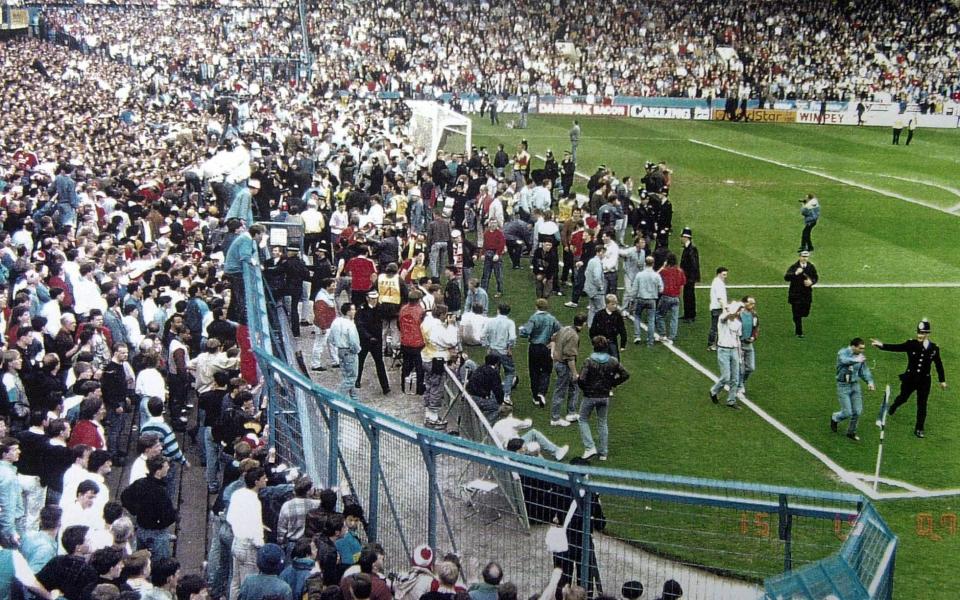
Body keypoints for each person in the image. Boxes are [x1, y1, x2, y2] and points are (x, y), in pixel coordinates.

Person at [872, 319, 947, 438]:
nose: (920, 335)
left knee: (922, 405)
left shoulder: (934, 348)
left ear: (927, 334)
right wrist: (882, 346)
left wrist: (942, 380)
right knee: (903, 398)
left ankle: (919, 428)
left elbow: (938, 364)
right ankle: (894, 406)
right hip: (910, 379)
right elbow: (897, 348)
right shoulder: (911, 344)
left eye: (922, 333)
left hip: (924, 381)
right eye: (919, 333)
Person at [576, 336, 630, 460]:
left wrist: (585, 389)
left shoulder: (589, 361)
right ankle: (603, 452)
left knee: (583, 419)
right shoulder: (613, 361)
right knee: (602, 422)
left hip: (590, 395)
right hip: (604, 395)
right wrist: (613, 383)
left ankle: (590, 447)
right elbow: (625, 374)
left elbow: (582, 379)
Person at [120, 455, 178, 559]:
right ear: (158, 471)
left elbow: (124, 496)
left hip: (141, 528)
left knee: (140, 558)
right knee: (161, 563)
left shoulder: (140, 483)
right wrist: (162, 523)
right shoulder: (160, 492)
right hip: (158, 532)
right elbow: (169, 516)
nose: (168, 468)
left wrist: (135, 510)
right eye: (165, 467)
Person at [831, 338, 876, 441]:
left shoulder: (860, 357)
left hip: (855, 385)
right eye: (860, 348)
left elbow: (864, 371)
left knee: (857, 411)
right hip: (843, 385)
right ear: (853, 347)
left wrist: (870, 382)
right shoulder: (843, 353)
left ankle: (851, 432)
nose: (862, 351)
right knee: (847, 412)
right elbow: (844, 360)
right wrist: (856, 360)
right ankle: (835, 418)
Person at [519, 299, 561, 408]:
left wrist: (521, 330)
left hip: (535, 347)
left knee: (534, 371)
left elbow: (526, 332)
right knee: (546, 371)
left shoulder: (534, 318)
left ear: (536, 306)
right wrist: (553, 340)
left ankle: (535, 396)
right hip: (546, 347)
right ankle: (542, 392)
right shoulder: (551, 318)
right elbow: (560, 330)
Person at [492, 405, 568, 460]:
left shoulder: (495, 426)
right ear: (509, 414)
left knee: (531, 436)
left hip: (503, 452)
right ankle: (555, 452)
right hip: (515, 449)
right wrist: (528, 419)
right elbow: (528, 424)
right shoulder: (511, 421)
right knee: (534, 438)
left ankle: (553, 454)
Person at [551, 314, 586, 427]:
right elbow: (569, 357)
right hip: (564, 365)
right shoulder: (574, 336)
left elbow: (553, 337)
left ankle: (571, 412)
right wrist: (575, 373)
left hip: (558, 362)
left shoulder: (564, 328)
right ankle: (555, 418)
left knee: (574, 387)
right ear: (583, 324)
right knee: (560, 391)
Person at [709, 301, 744, 409]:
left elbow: (737, 338)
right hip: (723, 350)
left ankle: (731, 400)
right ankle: (713, 391)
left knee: (735, 378)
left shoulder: (738, 323)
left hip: (733, 350)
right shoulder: (723, 319)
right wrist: (732, 311)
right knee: (726, 376)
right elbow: (725, 318)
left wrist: (740, 353)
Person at [356, 291, 390, 396]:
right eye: (372, 298)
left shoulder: (380, 308)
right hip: (365, 341)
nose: (374, 300)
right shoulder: (361, 309)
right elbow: (359, 325)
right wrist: (368, 336)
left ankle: (385, 386)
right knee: (360, 361)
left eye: (376, 298)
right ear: (367, 298)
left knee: (379, 363)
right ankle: (357, 379)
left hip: (377, 340)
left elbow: (386, 317)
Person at [482, 303, 518, 404]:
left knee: (493, 372)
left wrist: (487, 346)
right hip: (504, 351)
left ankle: (492, 394)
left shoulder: (490, 321)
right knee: (510, 372)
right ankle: (506, 395)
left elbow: (482, 335)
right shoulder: (510, 323)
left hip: (493, 350)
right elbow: (512, 337)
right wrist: (510, 348)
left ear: (498, 310)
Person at [330, 303, 362, 401]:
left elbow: (331, 339)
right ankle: (337, 398)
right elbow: (354, 341)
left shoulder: (336, 321)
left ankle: (355, 399)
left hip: (340, 350)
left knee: (347, 375)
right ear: (348, 312)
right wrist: (356, 350)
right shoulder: (350, 324)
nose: (354, 312)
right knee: (351, 377)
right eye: (353, 310)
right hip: (349, 351)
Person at [629, 257, 663, 347]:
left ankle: (637, 336)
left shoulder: (639, 275)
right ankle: (650, 341)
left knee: (637, 316)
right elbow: (661, 289)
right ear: (653, 264)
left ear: (645, 263)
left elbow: (634, 289)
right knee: (651, 320)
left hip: (641, 298)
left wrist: (632, 299)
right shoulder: (656, 275)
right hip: (652, 300)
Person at [784, 250, 818, 338]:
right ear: (800, 257)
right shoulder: (794, 267)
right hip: (795, 294)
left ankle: (798, 319)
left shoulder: (811, 267)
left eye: (806, 257)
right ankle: (799, 332)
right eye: (803, 256)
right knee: (797, 314)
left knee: (805, 312)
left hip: (806, 294)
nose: (804, 258)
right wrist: (795, 273)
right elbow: (786, 277)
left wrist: (811, 282)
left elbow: (815, 277)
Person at [465, 354, 505, 424]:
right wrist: (501, 402)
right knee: (497, 408)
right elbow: (498, 390)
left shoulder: (479, 368)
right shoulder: (493, 373)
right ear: (496, 364)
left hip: (468, 395)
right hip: (478, 398)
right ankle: (485, 424)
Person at [656, 253, 686, 343]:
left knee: (659, 315)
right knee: (674, 318)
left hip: (666, 296)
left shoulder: (664, 271)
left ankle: (662, 334)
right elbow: (682, 284)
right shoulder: (680, 271)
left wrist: (662, 266)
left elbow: (654, 276)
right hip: (676, 297)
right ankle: (672, 337)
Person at [589, 295, 627, 360]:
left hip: (612, 342)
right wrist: (594, 341)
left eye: (616, 304)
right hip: (601, 343)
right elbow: (593, 329)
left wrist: (623, 345)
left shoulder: (617, 315)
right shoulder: (599, 314)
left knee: (615, 362)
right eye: (613, 304)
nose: (615, 306)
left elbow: (622, 330)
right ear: (607, 304)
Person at [737, 296, 759, 399]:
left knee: (750, 367)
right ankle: (739, 386)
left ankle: (742, 381)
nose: (752, 305)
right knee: (741, 368)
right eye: (751, 303)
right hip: (739, 344)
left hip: (749, 344)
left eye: (753, 303)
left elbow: (756, 328)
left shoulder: (754, 315)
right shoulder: (738, 315)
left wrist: (753, 338)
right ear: (744, 303)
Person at [679, 228, 700, 323]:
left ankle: (691, 315)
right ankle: (687, 314)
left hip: (689, 277)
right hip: (687, 277)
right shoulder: (688, 248)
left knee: (689, 296)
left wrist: (690, 277)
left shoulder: (691, 249)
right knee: (686, 295)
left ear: (686, 237)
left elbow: (693, 264)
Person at [707, 266, 728, 350]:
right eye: (724, 274)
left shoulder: (717, 282)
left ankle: (713, 344)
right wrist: (725, 308)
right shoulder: (718, 283)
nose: (725, 276)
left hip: (716, 307)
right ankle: (712, 344)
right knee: (716, 327)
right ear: (719, 274)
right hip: (718, 308)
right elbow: (720, 298)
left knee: (716, 327)